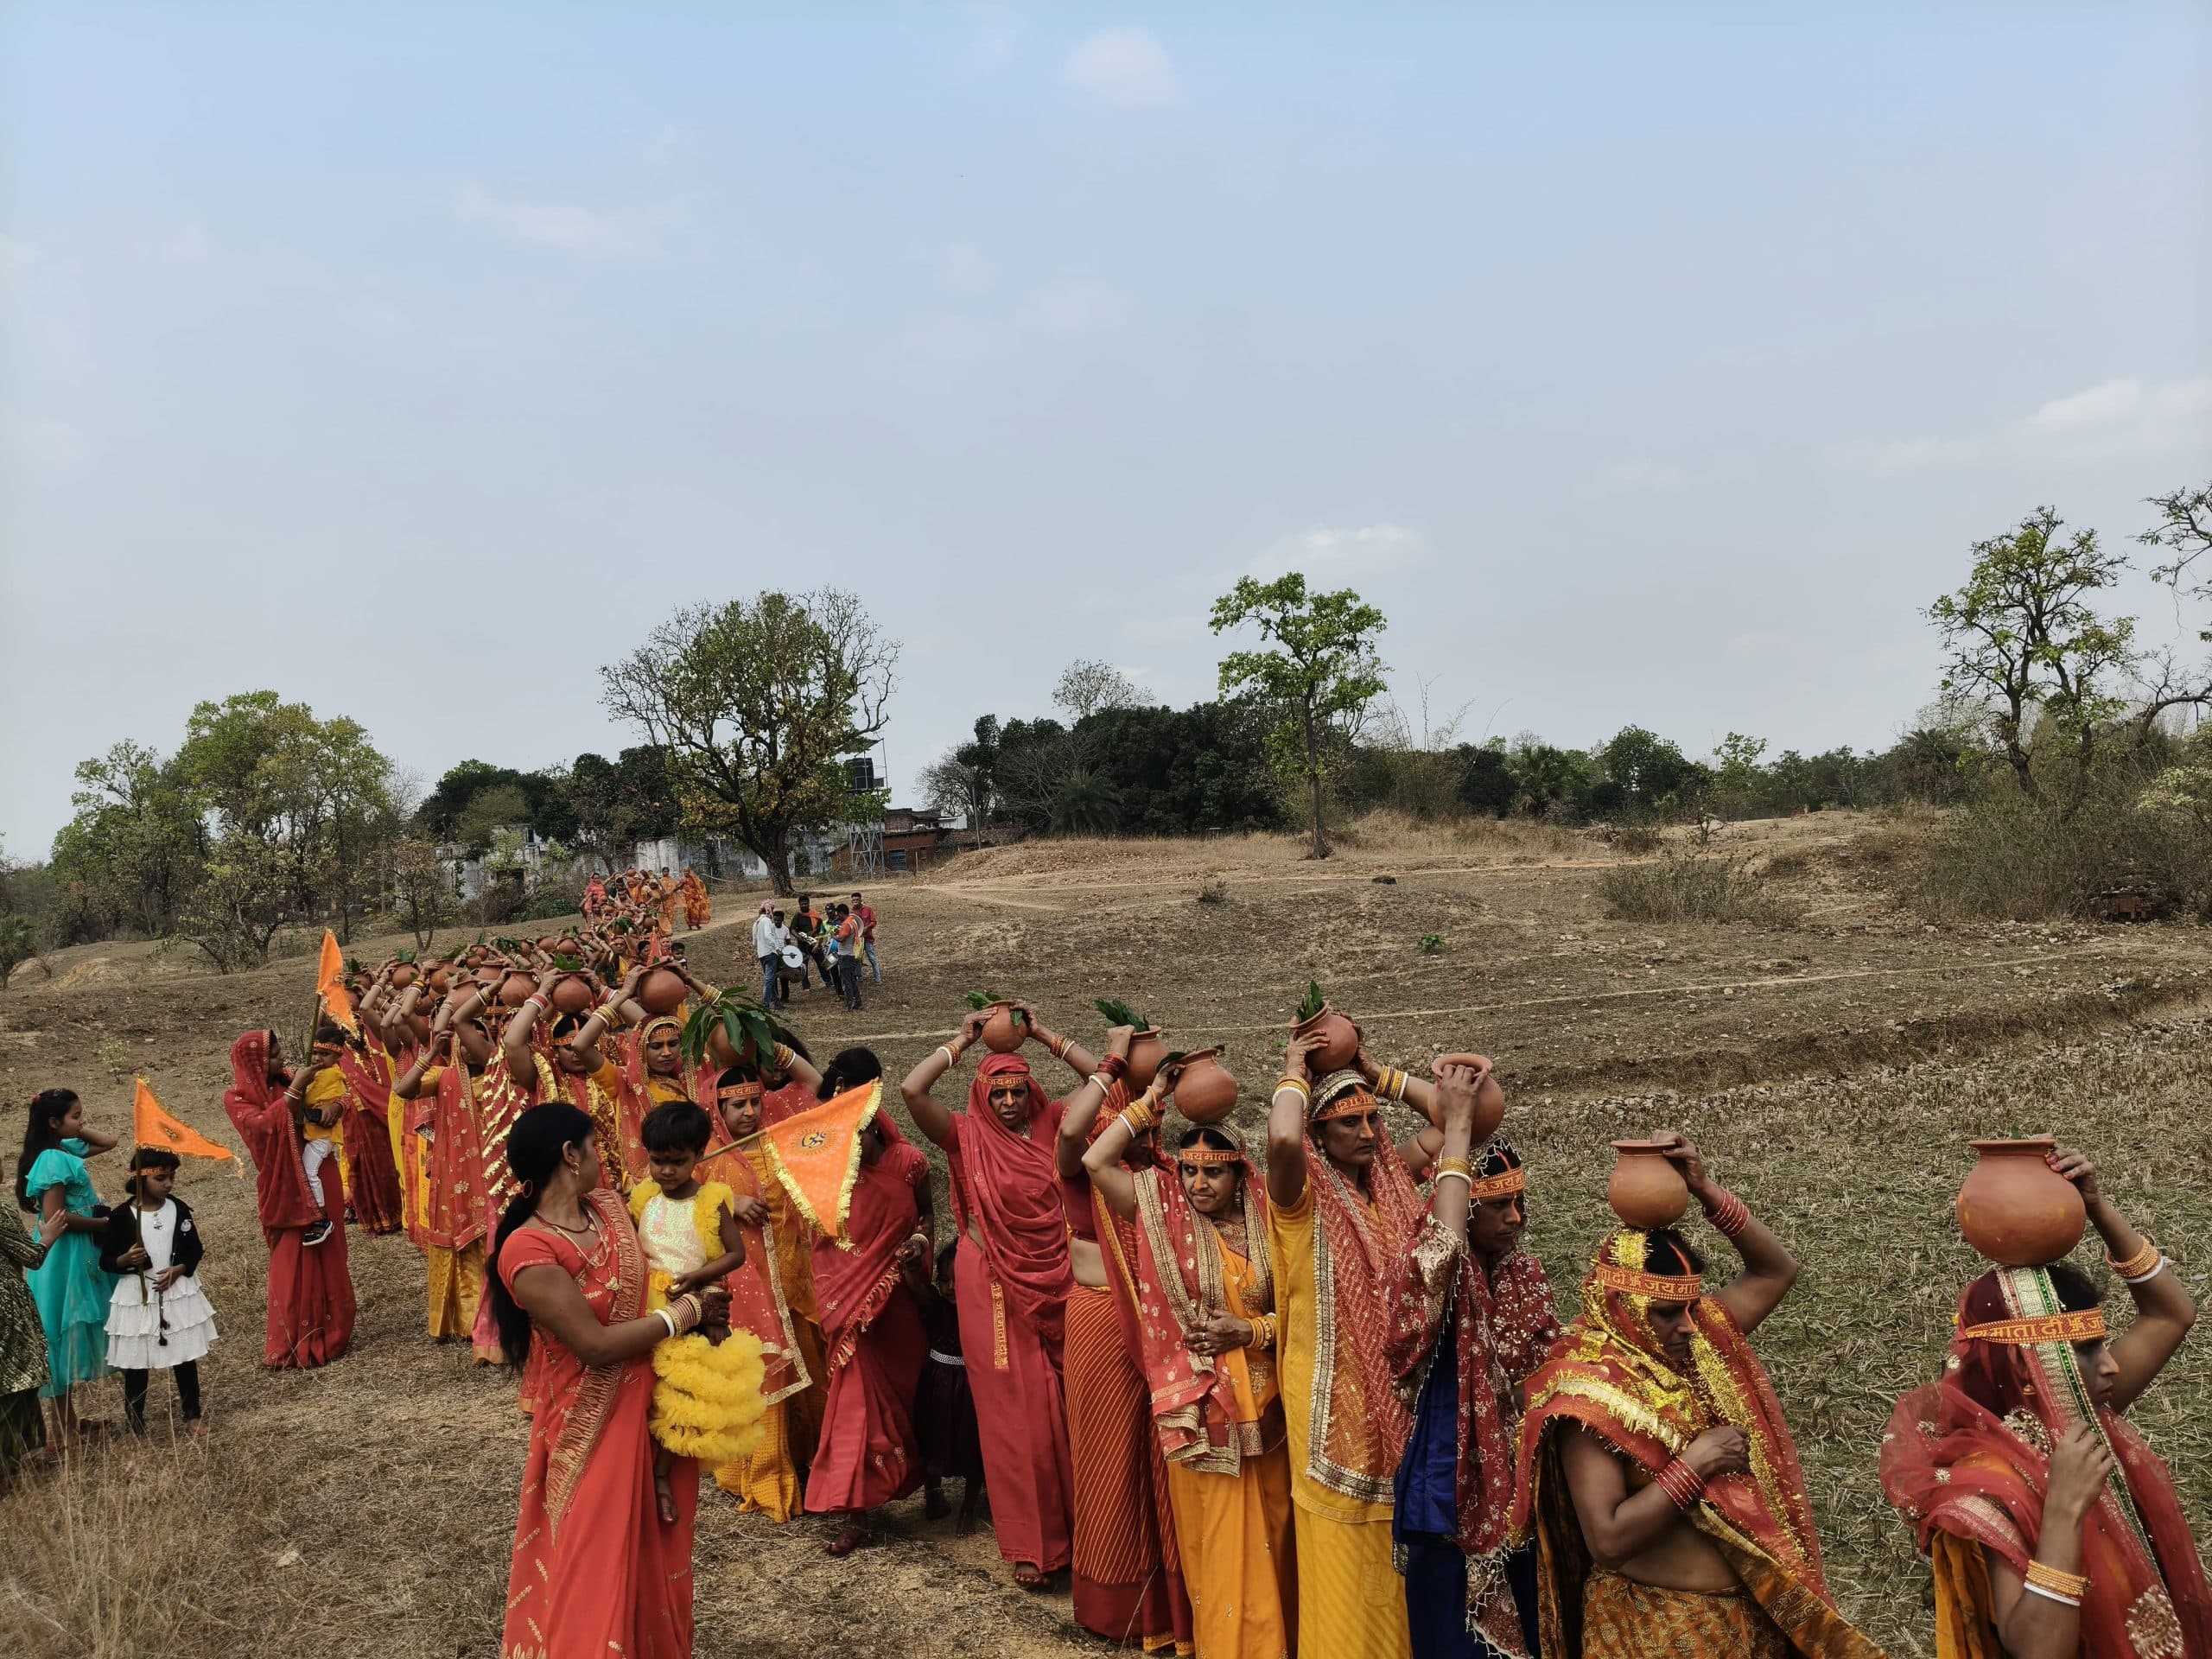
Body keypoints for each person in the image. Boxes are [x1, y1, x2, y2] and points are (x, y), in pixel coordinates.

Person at [1515, 1133, 1882, 1659]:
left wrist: (1706, 1190)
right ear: (1622, 1305)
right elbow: (1609, 1541)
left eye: (1693, 1307)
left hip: (1746, 1617)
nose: (1690, 1326)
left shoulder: (1697, 1343)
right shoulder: (1587, 1392)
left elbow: (1777, 1270)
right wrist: (1698, 1462)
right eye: (1668, 1313)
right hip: (1654, 1629)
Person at [1879, 1145, 2208, 1659]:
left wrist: (2098, 1209)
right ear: (2026, 1365)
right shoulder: (1982, 1490)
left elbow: (2172, 1314)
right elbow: (2036, 1651)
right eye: (2085, 1350)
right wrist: (2062, 1512)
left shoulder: (2078, 1419)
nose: (2112, 1366)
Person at [488, 1103, 731, 1659]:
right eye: (594, 1148)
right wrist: (686, 1314)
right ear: (570, 1156)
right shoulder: (528, 1249)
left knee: (656, 1554)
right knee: (595, 1565)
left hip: (654, 1407)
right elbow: (595, 1348)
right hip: (588, 1425)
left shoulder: (606, 1210)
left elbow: (668, 1251)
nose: (604, 1158)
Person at [1086, 1075, 1293, 1659]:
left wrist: (1250, 1330)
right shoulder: (1160, 1210)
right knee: (1222, 1550)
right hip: (1202, 1418)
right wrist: (1150, 1099)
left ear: (1239, 1176)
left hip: (1273, 1414)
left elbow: (1303, 1313)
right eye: (1191, 1171)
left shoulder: (1271, 1223)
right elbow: (1097, 1161)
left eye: (1214, 1172)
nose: (1199, 1184)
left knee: (1276, 1540)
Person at [1266, 1033, 1450, 1659]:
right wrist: (1295, 1068)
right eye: (1349, 1123)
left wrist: (1377, 1071)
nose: (1368, 1132)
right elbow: (1284, 1139)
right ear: (1321, 1133)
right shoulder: (1298, 1199)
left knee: (1402, 1551)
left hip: (1399, 1398)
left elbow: (1461, 1121)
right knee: (1344, 1556)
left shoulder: (1392, 1180)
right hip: (1330, 1404)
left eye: (1374, 1118)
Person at [902, 1001, 1097, 1588]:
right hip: (988, 1278)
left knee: (1069, 1405)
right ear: (981, 1095)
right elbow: (912, 1091)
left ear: (1031, 1090)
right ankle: (1032, 1545)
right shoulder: (963, 1137)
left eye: (1018, 1091)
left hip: (1058, 1277)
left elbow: (1105, 1080)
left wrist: (1041, 1033)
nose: (1009, 1102)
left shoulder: (1056, 1125)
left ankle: (1092, 1536)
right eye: (998, 1092)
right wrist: (960, 1041)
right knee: (1016, 1417)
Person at [1383, 1067, 1558, 1659]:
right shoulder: (1430, 1269)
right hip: (1449, 1479)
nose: (1516, 1218)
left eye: (1519, 1203)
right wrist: (1456, 1123)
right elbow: (1443, 1249)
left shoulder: (1522, 1277)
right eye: (1499, 1207)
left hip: (1520, 1485)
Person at [1055, 1025, 1192, 1651]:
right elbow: (1070, 1130)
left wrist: (1151, 1086)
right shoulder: (1079, 1165)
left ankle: (1168, 1605)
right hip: (1102, 1318)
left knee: (1160, 1457)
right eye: (1134, 1124)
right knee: (1111, 1455)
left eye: (1151, 1124)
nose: (1145, 1132)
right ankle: (1116, 1606)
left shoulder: (1161, 1173)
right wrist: (1110, 1060)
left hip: (1160, 1321)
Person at [803, 1099, 936, 1557]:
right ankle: (855, 1512)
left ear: (873, 1128)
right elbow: (821, 1245)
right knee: (855, 1407)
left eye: (854, 1135)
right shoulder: (828, 1176)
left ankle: (931, 1485)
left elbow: (927, 1217)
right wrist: (840, 1299)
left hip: (899, 1301)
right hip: (851, 1311)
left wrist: (918, 1244)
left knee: (913, 1393)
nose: (848, 1146)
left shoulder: (911, 1164)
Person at [699, 1068, 829, 1522]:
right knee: (763, 1375)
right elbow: (670, 1198)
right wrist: (723, 1200)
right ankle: (762, 1472)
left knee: (812, 1366)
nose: (750, 1112)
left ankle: (812, 1459)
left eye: (755, 1102)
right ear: (719, 1109)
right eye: (738, 1105)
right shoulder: (708, 1158)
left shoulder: (779, 1141)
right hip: (749, 1292)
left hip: (795, 1282)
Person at [629, 1100, 766, 1523]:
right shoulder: (644, 1195)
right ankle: (635, 1463)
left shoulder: (711, 1201)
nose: (666, 1171)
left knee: (684, 1393)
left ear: (699, 1156)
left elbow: (736, 1253)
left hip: (693, 1301)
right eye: (657, 1161)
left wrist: (697, 1276)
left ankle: (662, 1474)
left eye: (677, 1162)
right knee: (642, 1386)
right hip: (646, 1302)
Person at [224, 1030, 357, 1370]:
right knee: (292, 1258)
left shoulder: (290, 1078)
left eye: (280, 1053)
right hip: (284, 1186)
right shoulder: (237, 1099)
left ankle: (333, 1331)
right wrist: (297, 1089)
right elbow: (263, 1128)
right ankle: (294, 1340)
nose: (281, 1060)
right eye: (273, 1056)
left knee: (329, 1249)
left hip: (319, 1173)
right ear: (254, 1063)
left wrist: (336, 1106)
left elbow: (343, 1093)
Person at [17, 1087, 115, 1449]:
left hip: (75, 1250)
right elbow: (56, 1217)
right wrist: (104, 1224)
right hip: (65, 1255)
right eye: (76, 1115)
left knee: (65, 1330)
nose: (83, 1120)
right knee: (59, 1330)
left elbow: (110, 1141)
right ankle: (64, 1431)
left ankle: (70, 1423)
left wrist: (72, 1127)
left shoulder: (61, 1150)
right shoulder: (53, 1160)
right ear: (53, 1123)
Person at [99, 1147, 216, 1437]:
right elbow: (107, 1261)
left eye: (171, 1177)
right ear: (141, 1180)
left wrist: (178, 1270)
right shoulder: (122, 1217)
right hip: (139, 1298)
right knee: (138, 1361)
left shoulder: (178, 1209)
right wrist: (125, 1261)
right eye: (161, 1178)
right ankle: (135, 1422)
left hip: (176, 1293)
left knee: (184, 1355)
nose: (169, 1184)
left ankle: (192, 1414)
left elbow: (194, 1250)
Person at [912, 1240, 986, 1533]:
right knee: (932, 1438)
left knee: (973, 1443)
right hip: (937, 1384)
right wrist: (911, 1263)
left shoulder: (982, 1307)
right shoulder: (934, 1304)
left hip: (971, 1386)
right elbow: (915, 1288)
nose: (952, 1287)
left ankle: (969, 1507)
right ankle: (933, 1495)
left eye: (960, 1280)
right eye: (945, 1280)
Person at [0, 1205, 69, 1488]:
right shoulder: (1, 1211)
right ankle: (5, 1465)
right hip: (5, 1306)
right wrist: (48, 1236)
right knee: (12, 1382)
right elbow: (32, 1256)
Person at [833, 903, 864, 1011]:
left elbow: (842, 939)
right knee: (852, 980)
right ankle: (858, 1001)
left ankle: (849, 1003)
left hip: (845, 955)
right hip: (851, 954)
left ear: (841, 913)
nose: (838, 917)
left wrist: (834, 936)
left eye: (838, 914)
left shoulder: (846, 924)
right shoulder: (853, 921)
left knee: (847, 981)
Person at [753, 900, 784, 1010]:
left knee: (770, 979)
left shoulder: (756, 923)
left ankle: (776, 1003)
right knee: (769, 980)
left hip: (761, 954)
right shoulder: (766, 921)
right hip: (770, 953)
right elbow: (768, 936)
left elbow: (754, 942)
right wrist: (777, 948)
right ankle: (765, 1005)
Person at [851, 891, 880, 983]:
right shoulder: (851, 913)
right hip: (857, 940)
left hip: (867, 938)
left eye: (857, 900)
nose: (855, 901)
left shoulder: (868, 909)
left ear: (861, 900)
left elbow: (873, 921)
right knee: (857, 958)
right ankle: (859, 977)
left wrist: (867, 928)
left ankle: (878, 978)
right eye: (853, 900)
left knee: (872, 958)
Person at [680, 866, 711, 931]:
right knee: (687, 912)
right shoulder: (683, 879)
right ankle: (690, 926)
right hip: (686, 898)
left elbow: (698, 886)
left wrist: (699, 895)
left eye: (687, 871)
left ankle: (697, 924)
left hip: (694, 897)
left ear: (689, 872)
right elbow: (679, 887)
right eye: (684, 871)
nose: (686, 873)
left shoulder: (694, 879)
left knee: (695, 911)